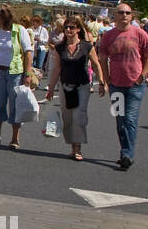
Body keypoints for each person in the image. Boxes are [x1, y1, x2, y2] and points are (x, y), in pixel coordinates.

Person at [97, 3, 148, 171]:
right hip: (116, 85)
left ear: (131, 16)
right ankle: (125, 152)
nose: (124, 15)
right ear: (114, 15)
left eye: (128, 13)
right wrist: (106, 80)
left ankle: (127, 154)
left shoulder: (139, 33)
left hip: (135, 85)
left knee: (130, 120)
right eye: (121, 12)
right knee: (120, 121)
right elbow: (102, 58)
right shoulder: (108, 36)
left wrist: (142, 76)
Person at [44, 15, 106, 161]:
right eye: (66, 27)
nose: (68, 30)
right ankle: (72, 146)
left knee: (79, 116)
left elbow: (96, 64)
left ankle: (77, 148)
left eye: (72, 27)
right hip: (66, 86)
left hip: (82, 86)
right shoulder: (60, 48)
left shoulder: (86, 46)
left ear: (78, 29)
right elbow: (56, 69)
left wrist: (102, 82)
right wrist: (51, 88)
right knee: (68, 118)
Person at [0, 5, 34, 150]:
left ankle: (15, 138)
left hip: (14, 72)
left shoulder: (19, 30)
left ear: (4, 17)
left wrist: (27, 73)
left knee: (15, 105)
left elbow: (28, 52)